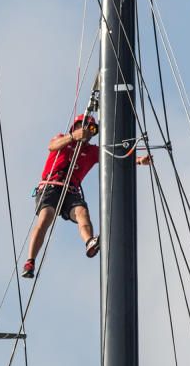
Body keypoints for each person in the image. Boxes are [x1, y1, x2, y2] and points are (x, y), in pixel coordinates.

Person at [22, 114, 150, 279]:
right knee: (46, 216)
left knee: (82, 212)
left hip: (71, 190)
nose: (88, 132)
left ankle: (89, 242)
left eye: (92, 130)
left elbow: (115, 157)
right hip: (51, 186)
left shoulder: (91, 151)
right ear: (75, 127)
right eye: (84, 127)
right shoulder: (62, 139)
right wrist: (72, 137)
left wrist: (139, 160)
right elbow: (52, 146)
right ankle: (30, 261)